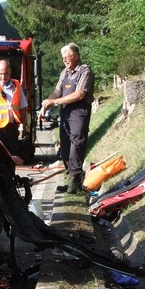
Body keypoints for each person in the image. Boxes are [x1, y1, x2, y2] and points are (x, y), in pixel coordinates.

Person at [39, 43, 94, 194]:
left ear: (75, 56)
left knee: (77, 142)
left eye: (66, 57)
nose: (64, 60)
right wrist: (47, 103)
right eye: (63, 58)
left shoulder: (85, 71)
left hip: (79, 111)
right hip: (65, 112)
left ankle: (75, 179)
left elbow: (79, 94)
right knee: (65, 146)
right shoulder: (65, 72)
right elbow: (57, 91)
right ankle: (73, 177)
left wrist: (54, 102)